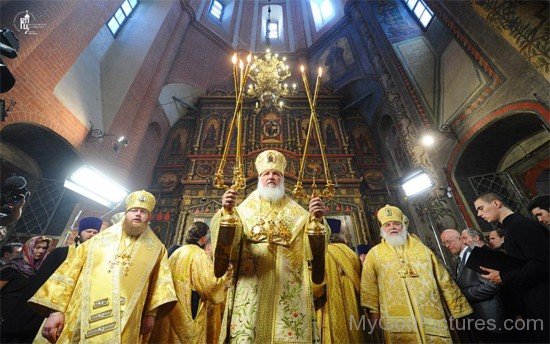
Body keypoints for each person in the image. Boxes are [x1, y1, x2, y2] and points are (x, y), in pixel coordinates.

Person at [29, 190, 177, 343]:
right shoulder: (97, 241)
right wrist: (56, 312)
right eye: (134, 210)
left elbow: (159, 286)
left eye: (143, 211)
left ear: (149, 217)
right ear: (126, 213)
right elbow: (68, 274)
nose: (138, 214)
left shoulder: (157, 249)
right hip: (84, 313)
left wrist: (150, 315)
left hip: (126, 318)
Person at [210, 149, 328, 343]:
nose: (271, 177)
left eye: (276, 174)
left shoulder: (298, 214)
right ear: (259, 177)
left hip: (288, 289)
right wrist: (225, 213)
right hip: (250, 286)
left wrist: (317, 220)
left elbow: (312, 249)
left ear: (282, 179)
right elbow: (229, 247)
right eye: (266, 173)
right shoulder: (242, 211)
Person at [361, 205, 472, 343]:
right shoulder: (374, 253)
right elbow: (368, 286)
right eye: (388, 225)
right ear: (383, 229)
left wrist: (456, 311)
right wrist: (374, 313)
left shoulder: (423, 250)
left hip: (431, 315)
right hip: (397, 319)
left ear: (403, 225)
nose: (392, 227)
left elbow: (443, 279)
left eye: (396, 223)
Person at [474, 192, 549, 342]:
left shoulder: (520, 226)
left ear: (496, 203)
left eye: (481, 208)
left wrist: (503, 276)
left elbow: (542, 263)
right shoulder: (511, 228)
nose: (479, 214)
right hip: (533, 298)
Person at [148, 221, 229, 344]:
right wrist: (225, 278)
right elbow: (210, 286)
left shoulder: (175, 251)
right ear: (203, 239)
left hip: (167, 308)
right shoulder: (199, 254)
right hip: (187, 313)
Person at [440, 229, 504, 342]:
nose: (447, 246)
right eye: (444, 243)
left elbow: (489, 287)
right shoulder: (459, 260)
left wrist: (461, 295)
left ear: (460, 239)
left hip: (490, 318)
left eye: (449, 241)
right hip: (478, 320)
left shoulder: (476, 255)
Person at [317, 218, 364, 343]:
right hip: (353, 308)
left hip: (329, 307)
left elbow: (317, 288)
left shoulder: (323, 253)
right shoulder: (351, 253)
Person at [0, 236, 52, 343]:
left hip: (19, 319)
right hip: (3, 314)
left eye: (44, 248)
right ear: (29, 247)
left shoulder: (39, 270)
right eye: (37, 247)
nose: (41, 251)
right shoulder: (14, 266)